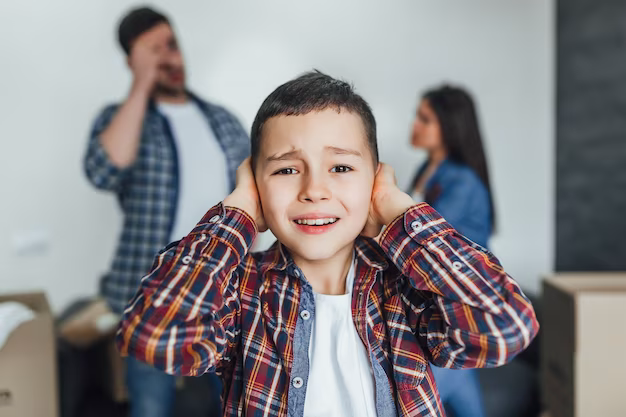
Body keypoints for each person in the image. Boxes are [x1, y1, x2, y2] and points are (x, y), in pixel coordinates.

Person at [117, 71, 538, 417]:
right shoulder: (243, 292)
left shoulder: (404, 291)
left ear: (374, 179)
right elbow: (156, 335)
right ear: (255, 184)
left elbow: (506, 326)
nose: (314, 190)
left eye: (340, 166)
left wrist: (398, 213)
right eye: (285, 171)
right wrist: (238, 212)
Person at [83, 7, 249, 417]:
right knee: (151, 407)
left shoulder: (222, 121)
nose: (169, 58)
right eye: (153, 51)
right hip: (151, 298)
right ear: (132, 61)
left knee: (237, 403)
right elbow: (104, 171)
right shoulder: (121, 120)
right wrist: (141, 83)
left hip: (222, 293)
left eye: (171, 45)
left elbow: (255, 194)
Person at [408, 85, 496, 416]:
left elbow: (419, 238)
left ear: (449, 126)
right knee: (462, 394)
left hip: (457, 303)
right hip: (437, 304)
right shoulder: (427, 169)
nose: (414, 125)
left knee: (424, 399)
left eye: (424, 118)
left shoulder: (462, 182)